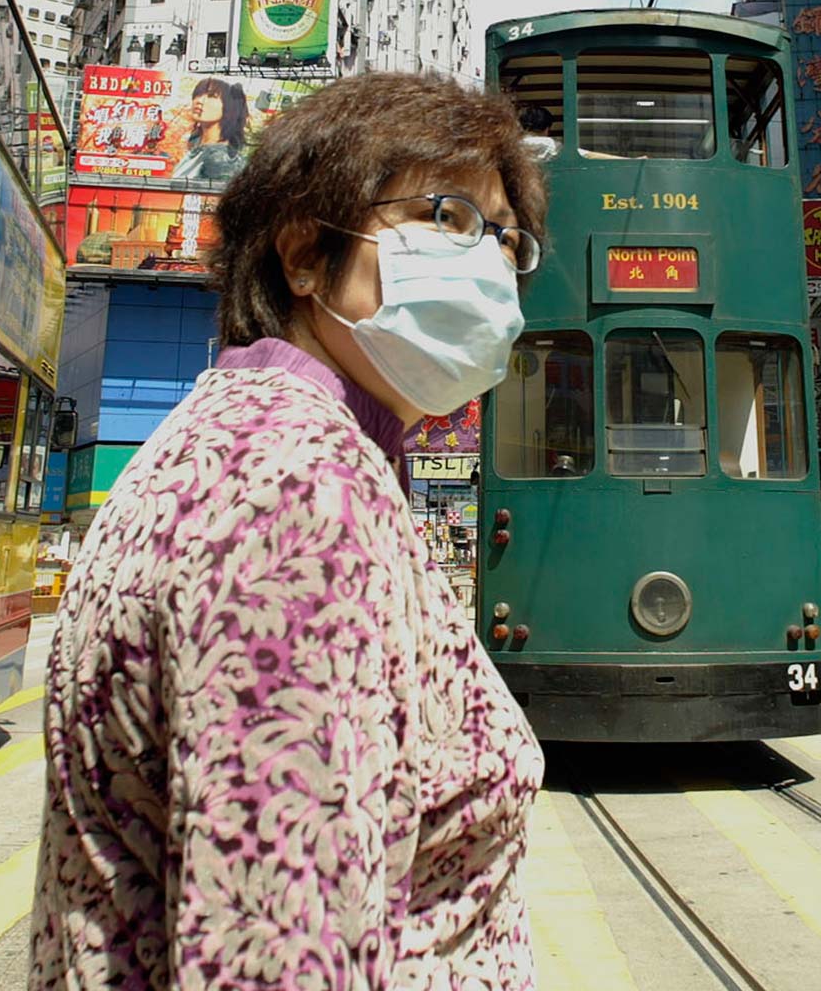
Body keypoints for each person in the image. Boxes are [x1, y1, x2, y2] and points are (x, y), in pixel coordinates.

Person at [32, 72, 548, 991]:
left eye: (506, 237)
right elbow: (275, 956)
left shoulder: (260, 443)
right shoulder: (297, 497)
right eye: (449, 216)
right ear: (304, 253)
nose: (492, 262)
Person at [171, 77, 251, 186]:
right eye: (198, 94)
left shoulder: (221, 160)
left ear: (230, 106)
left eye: (211, 96)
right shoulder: (195, 147)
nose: (200, 101)